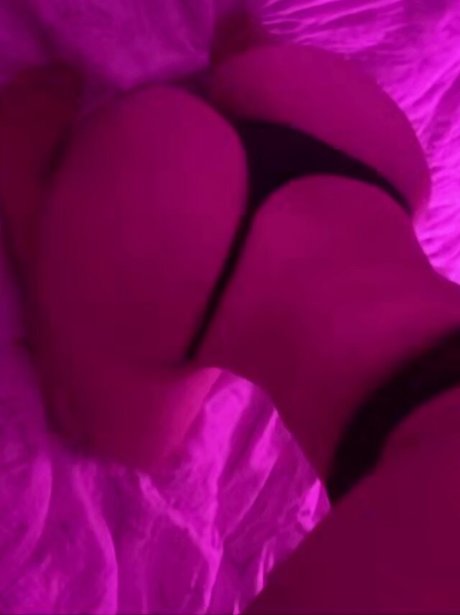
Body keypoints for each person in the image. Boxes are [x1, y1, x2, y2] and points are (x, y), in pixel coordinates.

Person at [1, 22, 460, 612]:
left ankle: (246, 69)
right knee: (123, 439)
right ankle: (38, 202)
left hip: (362, 146)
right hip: (177, 226)